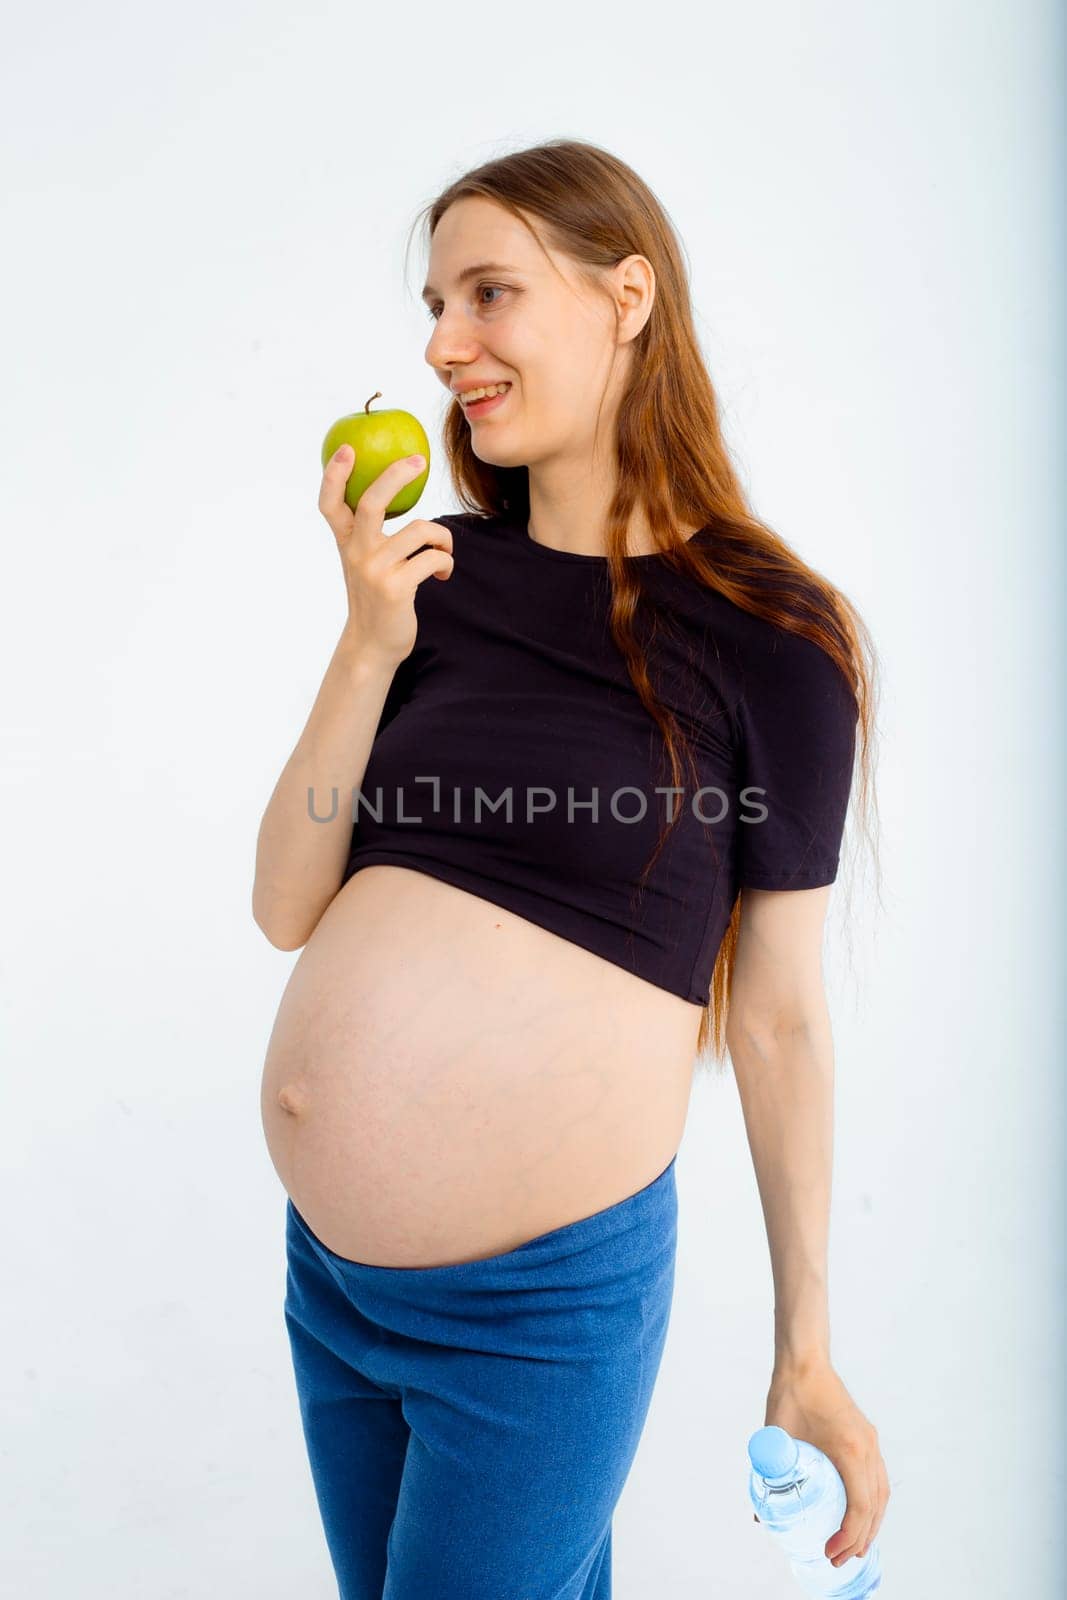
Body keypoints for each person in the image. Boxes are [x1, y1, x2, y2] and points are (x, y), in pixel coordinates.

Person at [252, 138, 891, 1600]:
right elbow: (286, 905)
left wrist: (806, 1355)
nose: (441, 343)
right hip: (333, 1285)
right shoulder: (437, 585)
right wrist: (366, 641)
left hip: (540, 1306)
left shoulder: (775, 638)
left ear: (627, 297)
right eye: (433, 303)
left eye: (489, 292)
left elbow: (782, 1014)